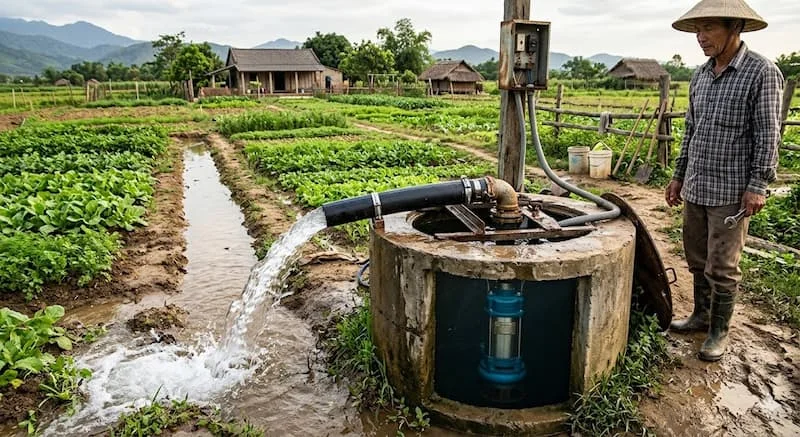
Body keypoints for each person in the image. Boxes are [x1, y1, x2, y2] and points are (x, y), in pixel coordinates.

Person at [665, 0, 784, 361]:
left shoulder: (761, 72)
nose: (701, 38)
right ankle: (701, 315)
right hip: (697, 185)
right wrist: (678, 175)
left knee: (723, 266)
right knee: (696, 257)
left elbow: (768, 133)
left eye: (710, 28)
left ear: (736, 28)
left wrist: (758, 184)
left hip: (732, 191)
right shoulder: (700, 75)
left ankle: (719, 331)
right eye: (698, 31)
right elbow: (691, 131)